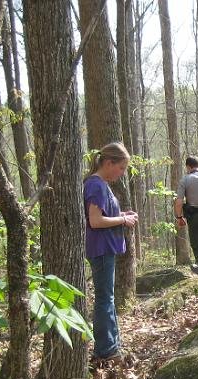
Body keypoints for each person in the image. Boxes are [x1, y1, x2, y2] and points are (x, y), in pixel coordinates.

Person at [83, 142, 138, 362]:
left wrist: (122, 214)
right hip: (101, 248)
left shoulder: (100, 185)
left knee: (109, 297)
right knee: (105, 299)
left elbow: (104, 214)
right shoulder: (95, 185)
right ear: (108, 163)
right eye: (121, 168)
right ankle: (105, 350)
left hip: (105, 248)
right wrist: (123, 220)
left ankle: (112, 345)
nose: (122, 173)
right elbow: (95, 221)